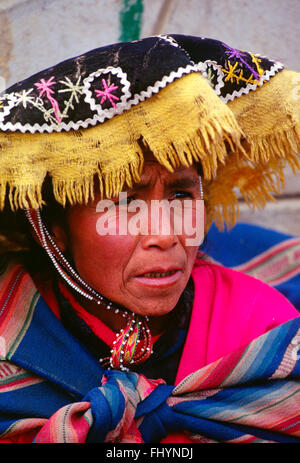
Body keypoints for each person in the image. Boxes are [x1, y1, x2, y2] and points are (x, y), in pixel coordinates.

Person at [0, 34, 300, 444]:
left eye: (180, 194)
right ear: (56, 231)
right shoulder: (9, 340)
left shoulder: (260, 327)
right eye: (124, 202)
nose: (164, 234)